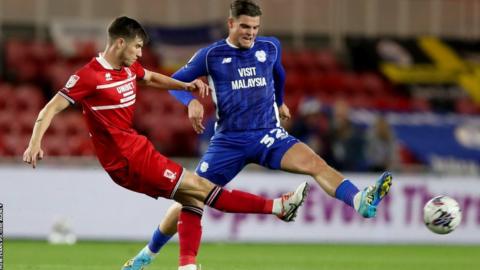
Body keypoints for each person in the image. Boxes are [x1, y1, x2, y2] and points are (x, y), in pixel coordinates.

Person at [22, 16, 310, 270]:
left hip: (135, 150)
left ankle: (176, 264)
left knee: (192, 198)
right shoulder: (89, 76)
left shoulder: (127, 69)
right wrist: (35, 142)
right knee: (202, 189)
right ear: (120, 43)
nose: (139, 53)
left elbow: (151, 78)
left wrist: (185, 86)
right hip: (127, 158)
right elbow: (50, 108)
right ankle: (278, 207)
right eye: (136, 47)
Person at [122, 1, 393, 269]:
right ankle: (148, 254)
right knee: (190, 196)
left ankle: (360, 201)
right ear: (231, 24)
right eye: (244, 26)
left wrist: (280, 102)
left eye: (255, 27)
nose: (251, 32)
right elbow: (177, 83)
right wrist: (190, 101)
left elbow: (279, 74)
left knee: (315, 164)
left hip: (268, 134)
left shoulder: (270, 46)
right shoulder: (211, 55)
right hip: (229, 141)